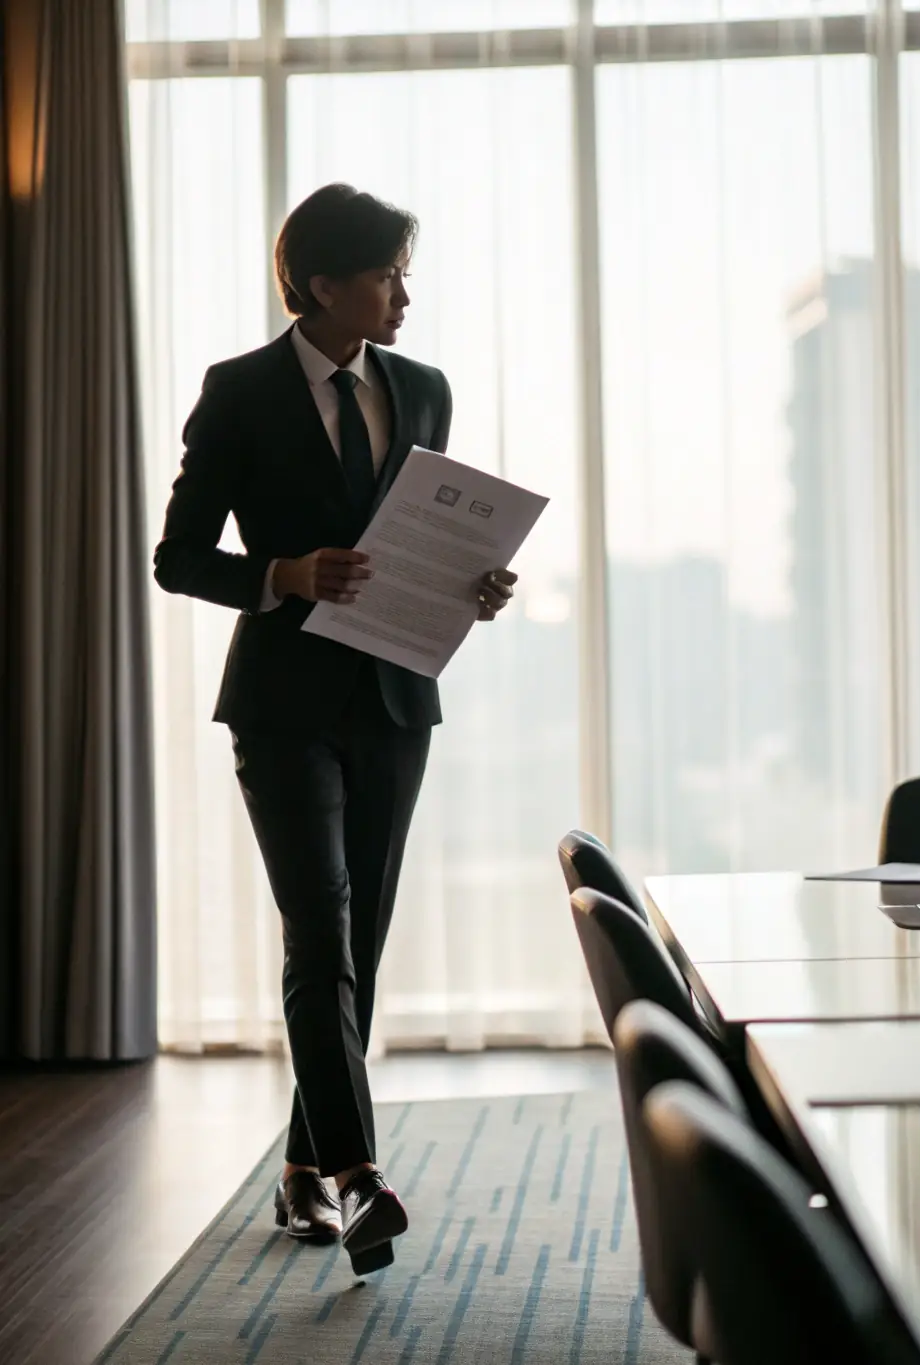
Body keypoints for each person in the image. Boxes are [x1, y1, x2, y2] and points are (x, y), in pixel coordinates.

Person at [153, 183, 516, 1276]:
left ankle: (304, 1172)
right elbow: (177, 558)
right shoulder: (239, 393)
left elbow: (426, 535)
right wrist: (281, 574)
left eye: (404, 274)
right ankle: (360, 1174)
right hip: (282, 703)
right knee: (320, 931)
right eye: (385, 275)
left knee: (360, 942)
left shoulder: (424, 388)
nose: (404, 295)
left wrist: (476, 583)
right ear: (321, 285)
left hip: (397, 698)